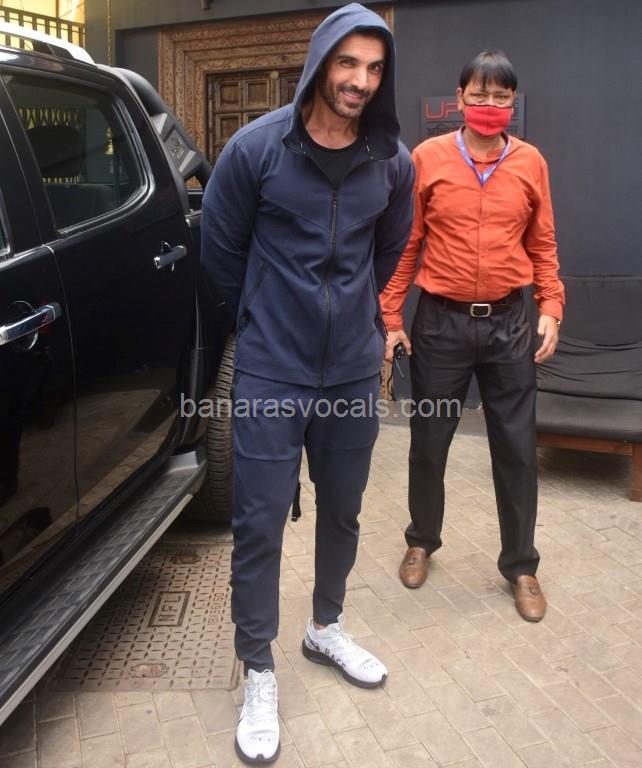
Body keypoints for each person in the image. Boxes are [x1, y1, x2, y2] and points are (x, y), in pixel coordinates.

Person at [201, 4, 414, 763]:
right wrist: (265, 320)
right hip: (271, 369)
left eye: (374, 68)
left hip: (352, 371)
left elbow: (389, 251)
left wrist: (353, 317)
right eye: (347, 63)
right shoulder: (256, 150)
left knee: (344, 509)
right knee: (258, 521)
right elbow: (220, 255)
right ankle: (258, 665)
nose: (360, 81)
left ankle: (325, 627)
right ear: (321, 62)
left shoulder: (392, 161)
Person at [381, 50, 564, 625]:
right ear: (459, 98)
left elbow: (543, 243)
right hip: (442, 324)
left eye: (500, 96)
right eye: (479, 94)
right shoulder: (427, 158)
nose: (489, 105)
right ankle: (421, 540)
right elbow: (407, 244)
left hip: (510, 323)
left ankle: (522, 566)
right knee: (428, 441)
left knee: (517, 448)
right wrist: (391, 317)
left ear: (513, 102)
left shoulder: (530, 162)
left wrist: (552, 306)